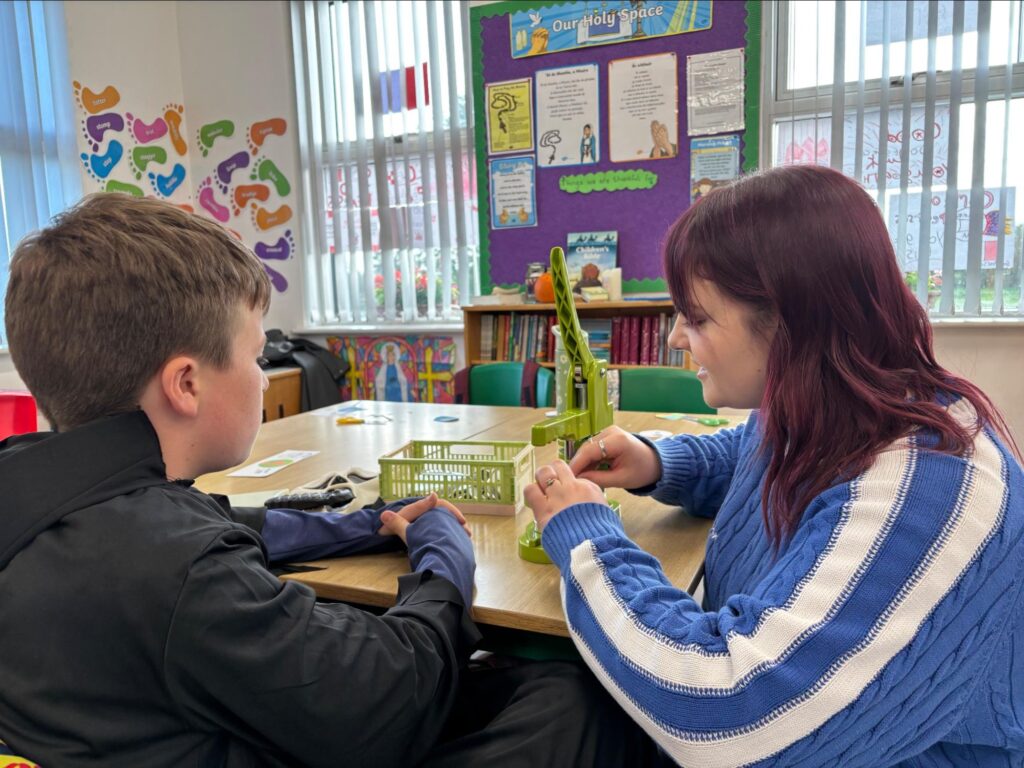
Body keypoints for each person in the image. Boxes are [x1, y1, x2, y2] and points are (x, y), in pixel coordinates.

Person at [0, 194, 664, 767]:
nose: (263, 378)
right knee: (575, 702)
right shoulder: (177, 569)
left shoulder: (45, 488)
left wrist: (361, 524)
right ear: (187, 384)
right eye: (256, 356)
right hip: (340, 730)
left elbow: (222, 521)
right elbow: (394, 699)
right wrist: (441, 554)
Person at [525, 165, 1024, 767]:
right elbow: (752, 451)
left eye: (698, 317)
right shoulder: (824, 406)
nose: (677, 338)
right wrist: (658, 461)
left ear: (791, 321)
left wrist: (586, 538)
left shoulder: (934, 487)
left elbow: (727, 716)